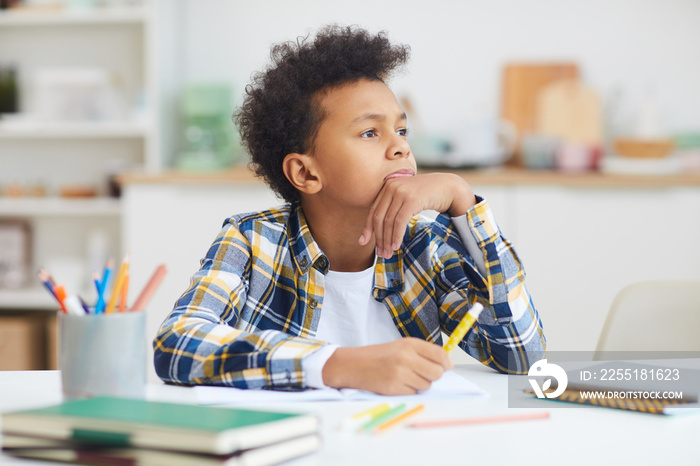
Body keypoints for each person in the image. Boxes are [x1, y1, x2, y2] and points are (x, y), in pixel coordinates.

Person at [153, 25, 545, 395]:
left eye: (402, 130)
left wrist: (463, 199)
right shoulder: (252, 242)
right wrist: (338, 365)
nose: (401, 148)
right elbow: (178, 344)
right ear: (305, 172)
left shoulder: (427, 246)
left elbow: (523, 355)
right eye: (370, 133)